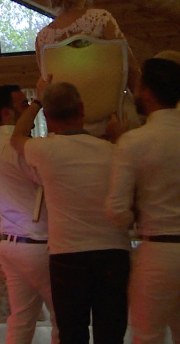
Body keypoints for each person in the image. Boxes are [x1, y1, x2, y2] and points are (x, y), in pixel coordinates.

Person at [11, 82, 131, 344]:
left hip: (67, 255)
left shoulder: (44, 150)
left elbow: (16, 137)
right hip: (114, 252)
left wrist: (37, 101)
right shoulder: (114, 151)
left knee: (71, 334)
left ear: (47, 117)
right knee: (111, 334)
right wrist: (119, 136)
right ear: (82, 109)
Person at [105, 51, 180, 344]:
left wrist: (135, 215)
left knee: (147, 336)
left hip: (158, 251)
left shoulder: (134, 142)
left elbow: (116, 210)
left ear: (147, 92)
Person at [0, 85, 59, 344]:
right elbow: (51, 180)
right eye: (24, 105)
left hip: (12, 245)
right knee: (65, 320)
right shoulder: (20, 147)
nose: (30, 110)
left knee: (21, 321)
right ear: (7, 113)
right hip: (38, 246)